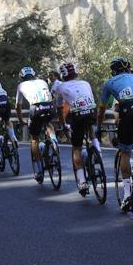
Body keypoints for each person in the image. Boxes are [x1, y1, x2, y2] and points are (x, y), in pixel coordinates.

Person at [97, 57, 133, 211]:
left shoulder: (110, 82)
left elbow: (101, 109)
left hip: (128, 109)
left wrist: (99, 127)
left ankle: (127, 195)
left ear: (113, 71)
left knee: (125, 152)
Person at [54, 62, 100, 196]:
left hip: (77, 115)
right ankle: (98, 151)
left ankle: (82, 181)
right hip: (91, 112)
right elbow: (90, 99)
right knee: (90, 129)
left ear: (63, 75)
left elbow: (60, 108)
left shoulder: (60, 87)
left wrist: (63, 126)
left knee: (76, 147)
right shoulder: (85, 83)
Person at [15, 67, 57, 183]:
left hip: (36, 108)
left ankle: (39, 170)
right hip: (49, 106)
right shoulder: (42, 81)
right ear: (33, 75)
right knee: (48, 123)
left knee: (34, 138)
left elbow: (18, 106)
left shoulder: (21, 86)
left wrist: (21, 120)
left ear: (22, 77)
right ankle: (54, 142)